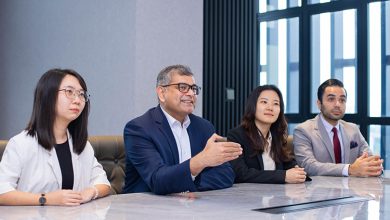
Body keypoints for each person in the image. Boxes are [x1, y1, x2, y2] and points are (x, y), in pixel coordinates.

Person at [123, 64, 242, 195]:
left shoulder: (204, 127)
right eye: (183, 88)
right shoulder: (139, 129)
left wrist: (185, 183)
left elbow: (226, 175)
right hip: (147, 210)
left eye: (194, 88)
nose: (191, 94)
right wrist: (200, 162)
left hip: (193, 209)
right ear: (162, 93)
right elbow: (157, 179)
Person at [0, 69, 111, 206]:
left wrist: (90, 192)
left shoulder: (81, 144)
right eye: (69, 92)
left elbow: (103, 182)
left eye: (81, 94)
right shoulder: (21, 143)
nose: (77, 100)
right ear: (48, 95)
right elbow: (2, 192)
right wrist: (45, 199)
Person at [293, 79, 383, 177]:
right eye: (331, 99)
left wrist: (374, 166)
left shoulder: (353, 129)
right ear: (319, 104)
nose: (337, 104)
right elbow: (308, 166)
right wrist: (349, 169)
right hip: (318, 190)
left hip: (352, 189)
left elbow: (369, 159)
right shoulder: (303, 130)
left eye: (342, 100)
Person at [227, 85, 307, 184]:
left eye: (276, 104)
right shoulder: (237, 136)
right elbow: (240, 174)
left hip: (277, 196)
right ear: (253, 106)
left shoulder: (277, 135)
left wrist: (297, 171)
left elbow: (287, 162)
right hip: (249, 196)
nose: (270, 108)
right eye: (264, 102)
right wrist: (283, 176)